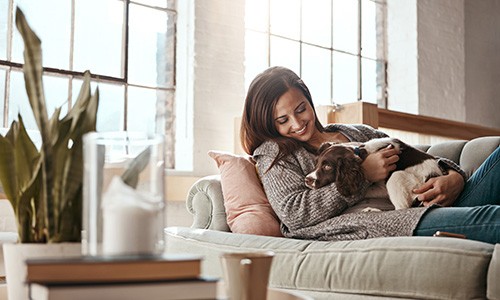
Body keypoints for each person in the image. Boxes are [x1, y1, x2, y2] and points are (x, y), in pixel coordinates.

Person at [240, 66, 500, 244]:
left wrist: (454, 177)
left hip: (435, 196)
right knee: (493, 218)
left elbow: (410, 154)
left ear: (309, 100)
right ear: (268, 123)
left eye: (301, 109)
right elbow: (294, 215)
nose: (297, 123)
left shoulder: (355, 131)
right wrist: (363, 174)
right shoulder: (274, 152)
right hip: (398, 219)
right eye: (283, 120)